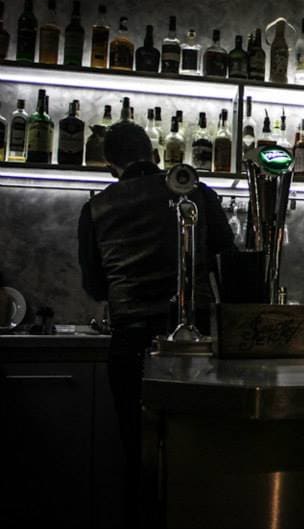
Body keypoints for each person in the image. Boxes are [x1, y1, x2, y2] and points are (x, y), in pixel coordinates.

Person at [77, 120, 235, 526]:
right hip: (196, 342)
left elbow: (95, 286)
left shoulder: (95, 208)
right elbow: (228, 256)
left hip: (131, 342)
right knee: (198, 449)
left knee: (139, 451)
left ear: (110, 165)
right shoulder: (194, 190)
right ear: (154, 152)